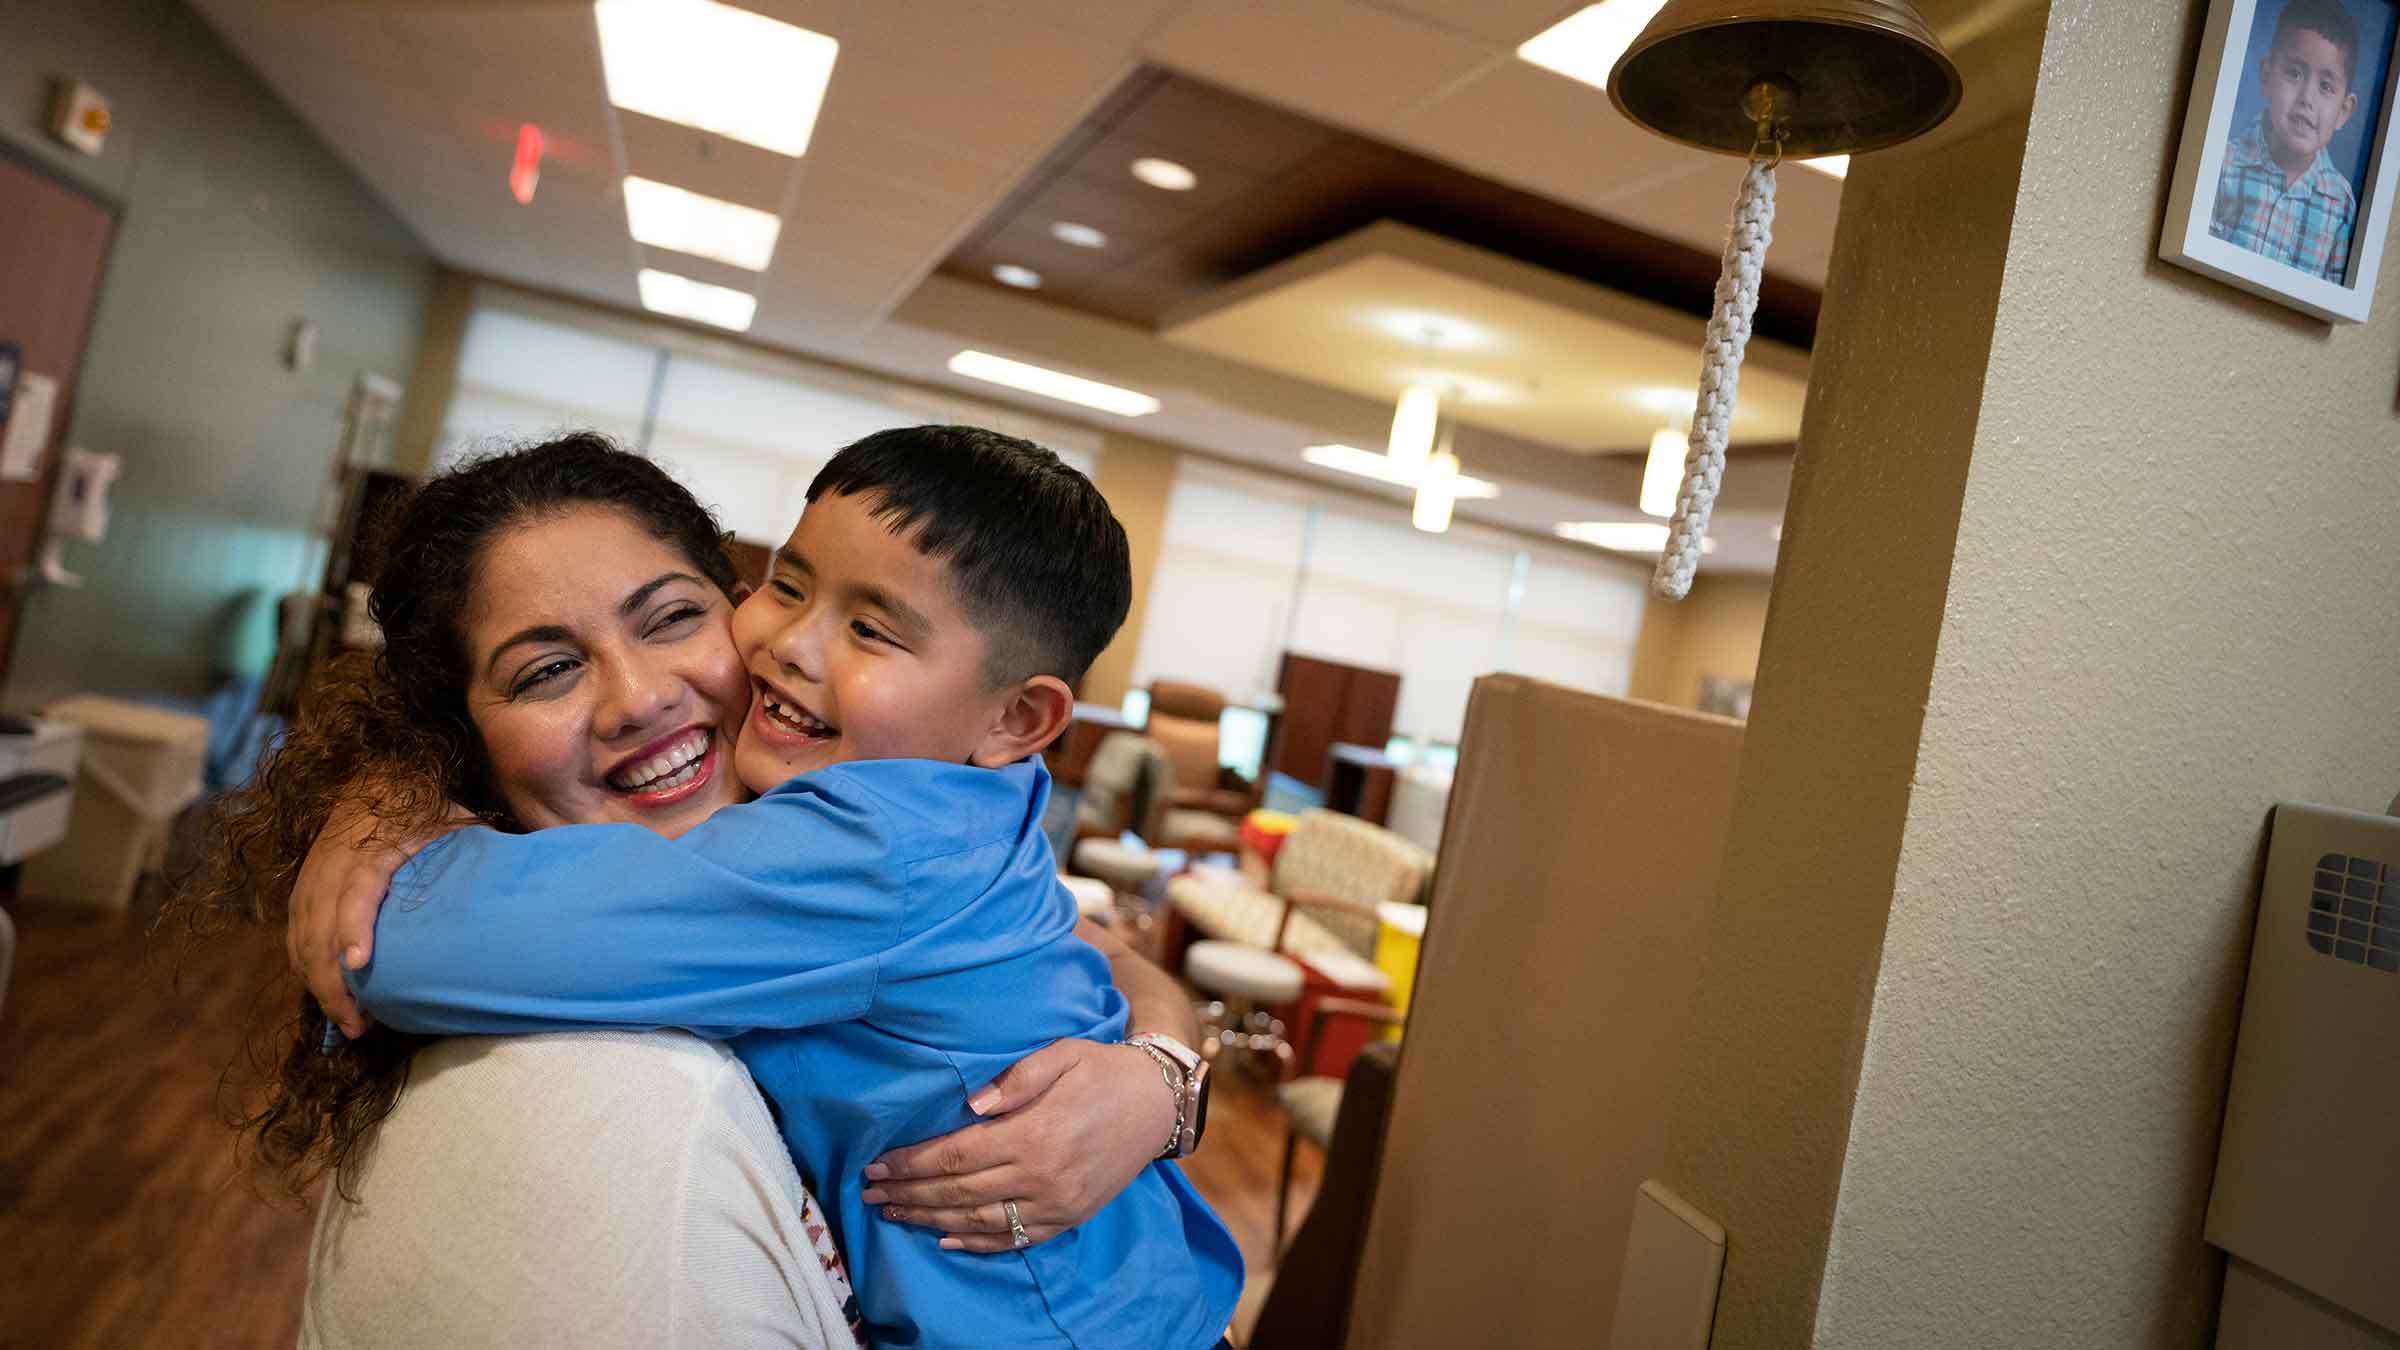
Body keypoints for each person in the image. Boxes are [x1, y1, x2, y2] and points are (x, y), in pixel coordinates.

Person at [181, 433, 1206, 1347]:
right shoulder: (617, 1109)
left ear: (1017, 720)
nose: (643, 699)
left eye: (672, 617)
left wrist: (1161, 1087)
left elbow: (396, 940)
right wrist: (390, 793)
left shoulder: (869, 843)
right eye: (544, 674)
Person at [2211, 0, 2366, 281]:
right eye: (2294, 73)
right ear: (2267, 76)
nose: (2307, 98)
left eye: (2325, 86)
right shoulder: (2224, 165)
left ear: (2344, 111)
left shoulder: (2341, 206)